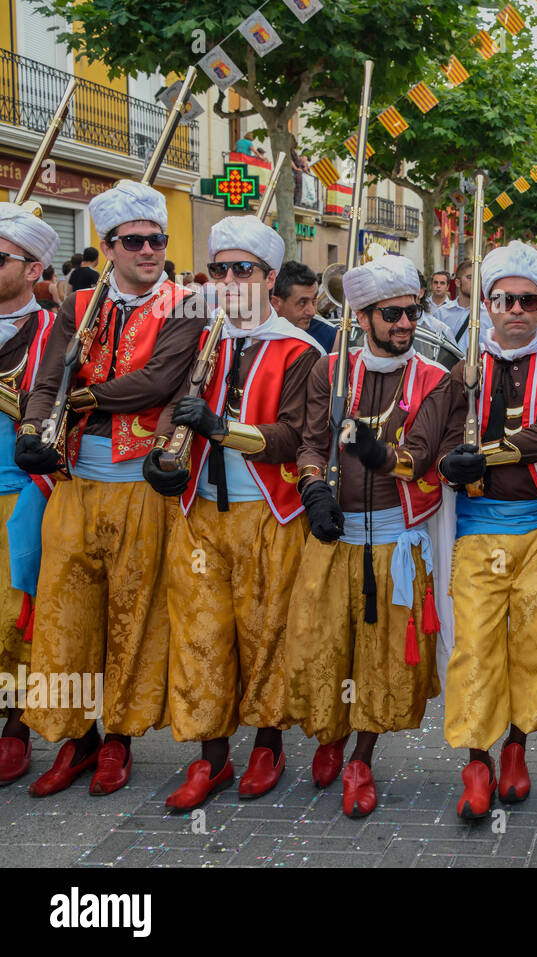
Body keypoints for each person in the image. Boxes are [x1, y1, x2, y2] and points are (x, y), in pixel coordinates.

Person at [15, 181, 202, 797]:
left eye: (158, 240)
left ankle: (119, 739)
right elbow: (47, 378)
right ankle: (76, 738)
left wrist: (78, 399)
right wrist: (35, 425)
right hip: (74, 485)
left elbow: (156, 382)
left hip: (141, 486)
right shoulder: (80, 302)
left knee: (133, 616)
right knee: (67, 617)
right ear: (108, 246)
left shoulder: (187, 304)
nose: (150, 250)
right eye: (136, 242)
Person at [143, 216, 325, 811]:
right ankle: (211, 757)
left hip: (269, 512)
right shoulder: (202, 335)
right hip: (199, 511)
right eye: (217, 269)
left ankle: (268, 744)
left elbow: (297, 435)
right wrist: (162, 453)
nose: (227, 280)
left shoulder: (301, 350)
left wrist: (224, 430)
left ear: (269, 278)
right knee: (200, 637)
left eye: (241, 269)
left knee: (266, 633)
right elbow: (172, 403)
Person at [286, 253, 451, 818]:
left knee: (384, 660)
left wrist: (382, 456)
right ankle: (330, 734)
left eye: (412, 312)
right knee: (323, 645)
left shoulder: (434, 379)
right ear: (362, 317)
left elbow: (424, 455)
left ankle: (361, 755)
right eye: (392, 315)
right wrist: (313, 489)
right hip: (333, 536)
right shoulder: (329, 371)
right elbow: (310, 442)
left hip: (396, 543)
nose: (405, 324)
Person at [438, 240, 537, 820]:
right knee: (476, 646)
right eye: (504, 300)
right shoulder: (463, 368)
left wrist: (487, 455)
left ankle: (517, 747)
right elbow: (439, 436)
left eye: (527, 301)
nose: (516, 311)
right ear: (487, 304)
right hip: (478, 529)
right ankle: (477, 760)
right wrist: (450, 461)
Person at [0, 202, 60, 786]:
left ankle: (15, 727)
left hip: (28, 492)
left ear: (35, 267)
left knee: (19, 618)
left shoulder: (54, 333)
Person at [269, 260, 336, 354]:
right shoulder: (256, 333)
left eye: (314, 301)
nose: (312, 312)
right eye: (302, 302)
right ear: (275, 303)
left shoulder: (332, 336)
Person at [436, 259, 474, 354]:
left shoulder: (489, 315)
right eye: (470, 277)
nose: (475, 282)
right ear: (457, 282)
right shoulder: (442, 313)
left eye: (478, 278)